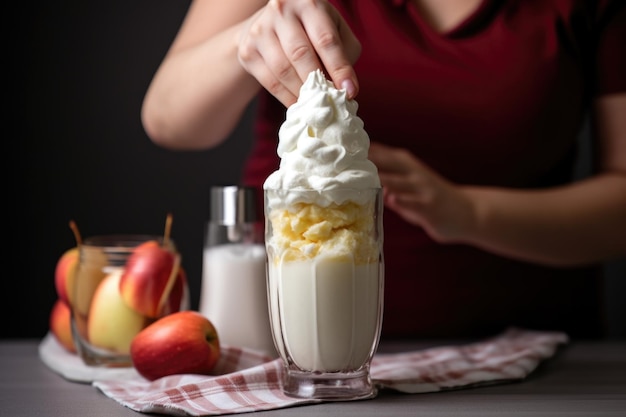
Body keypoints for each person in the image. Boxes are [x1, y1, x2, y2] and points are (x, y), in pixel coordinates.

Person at [141, 0, 626, 339]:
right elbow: (169, 119)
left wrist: (468, 211)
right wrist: (244, 40)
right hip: (278, 343)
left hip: (540, 358)